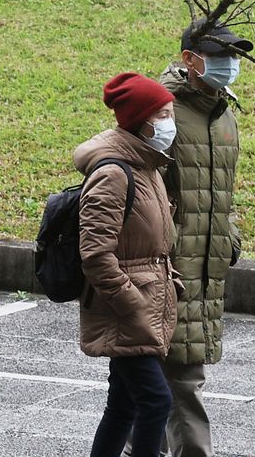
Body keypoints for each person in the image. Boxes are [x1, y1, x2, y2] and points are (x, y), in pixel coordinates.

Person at [128, 18, 248, 457]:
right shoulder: (164, 114)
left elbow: (220, 192)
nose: (230, 64)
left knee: (166, 378)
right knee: (181, 378)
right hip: (170, 266)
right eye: (219, 57)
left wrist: (227, 235)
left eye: (233, 56)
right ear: (189, 59)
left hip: (206, 266)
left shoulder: (222, 115)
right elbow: (139, 189)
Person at [77, 72, 182, 457]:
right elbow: (95, 254)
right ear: (144, 120)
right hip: (129, 307)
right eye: (166, 114)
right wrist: (131, 303)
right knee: (156, 401)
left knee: (122, 405)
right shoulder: (113, 174)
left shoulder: (147, 167)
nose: (171, 123)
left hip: (147, 303)